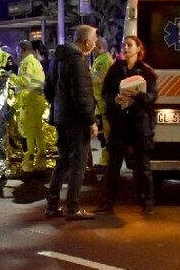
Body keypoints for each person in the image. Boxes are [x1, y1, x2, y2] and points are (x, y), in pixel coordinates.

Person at [96, 35, 159, 215]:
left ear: (138, 48)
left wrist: (137, 94)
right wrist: (114, 98)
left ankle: (147, 201)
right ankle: (107, 202)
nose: (126, 48)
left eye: (130, 45)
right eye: (124, 45)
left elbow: (152, 96)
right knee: (113, 165)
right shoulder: (116, 69)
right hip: (119, 124)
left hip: (140, 125)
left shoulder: (146, 71)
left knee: (143, 166)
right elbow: (105, 92)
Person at [44, 25, 99, 220]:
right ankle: (72, 207)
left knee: (63, 160)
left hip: (61, 118)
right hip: (76, 121)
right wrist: (91, 121)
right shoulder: (78, 62)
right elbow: (82, 96)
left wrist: (60, 106)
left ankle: (52, 205)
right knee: (78, 163)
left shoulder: (57, 59)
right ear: (86, 42)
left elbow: (48, 90)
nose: (95, 43)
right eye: (94, 39)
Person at [12, 39, 49, 172]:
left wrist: (10, 76)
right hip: (37, 102)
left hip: (29, 102)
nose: (17, 54)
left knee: (28, 134)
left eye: (18, 51)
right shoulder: (36, 62)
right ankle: (41, 163)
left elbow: (24, 81)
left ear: (22, 50)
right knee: (38, 133)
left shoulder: (26, 62)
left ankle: (28, 165)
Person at [90, 36, 114, 168]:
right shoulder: (102, 59)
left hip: (103, 102)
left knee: (106, 134)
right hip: (100, 103)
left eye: (93, 47)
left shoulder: (103, 61)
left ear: (98, 46)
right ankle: (106, 160)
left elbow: (96, 79)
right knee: (102, 134)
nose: (92, 50)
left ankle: (107, 162)